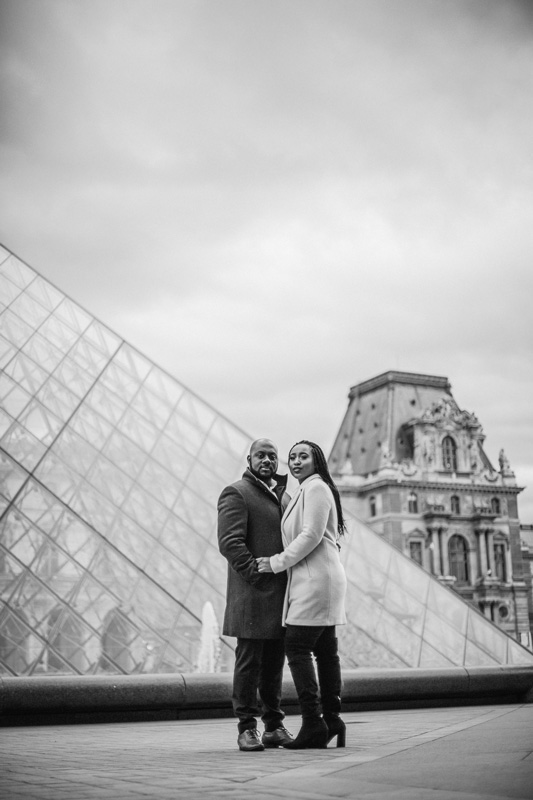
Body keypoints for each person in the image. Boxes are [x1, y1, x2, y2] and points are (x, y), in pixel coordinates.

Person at [256, 440, 347, 749]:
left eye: (303, 456)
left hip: (314, 580)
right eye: (292, 457)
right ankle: (332, 719)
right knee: (324, 650)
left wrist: (275, 563)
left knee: (296, 647)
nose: (295, 462)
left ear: (316, 460)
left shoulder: (316, 488)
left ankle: (313, 722)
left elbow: (311, 534)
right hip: (319, 578)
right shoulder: (308, 489)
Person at [217, 438, 294, 752]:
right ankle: (247, 728)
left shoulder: (283, 496)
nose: (268, 460)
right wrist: (257, 576)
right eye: (261, 455)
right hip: (252, 595)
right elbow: (229, 543)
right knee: (249, 664)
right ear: (249, 459)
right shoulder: (237, 492)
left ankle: (274, 726)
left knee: (274, 664)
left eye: (273, 456)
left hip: (280, 596)